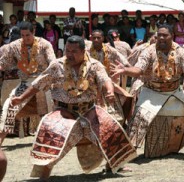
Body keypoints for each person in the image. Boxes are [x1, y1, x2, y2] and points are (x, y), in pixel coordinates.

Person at [10, 35, 137, 181]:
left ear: (83, 51)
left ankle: (113, 165)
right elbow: (38, 84)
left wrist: (109, 91)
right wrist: (21, 98)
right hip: (63, 111)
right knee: (51, 131)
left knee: (110, 128)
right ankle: (44, 175)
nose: (69, 54)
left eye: (74, 51)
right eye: (67, 50)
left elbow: (105, 79)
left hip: (89, 110)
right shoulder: (57, 65)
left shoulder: (94, 65)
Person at [111, 25, 184, 157]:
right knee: (140, 117)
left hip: (174, 91)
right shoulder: (149, 51)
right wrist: (125, 70)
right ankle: (126, 153)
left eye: (165, 35)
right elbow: (139, 70)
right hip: (152, 91)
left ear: (172, 36)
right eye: (159, 35)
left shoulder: (180, 52)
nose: (161, 38)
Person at [0, 22, 55, 145]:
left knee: (46, 113)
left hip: (43, 81)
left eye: (28, 35)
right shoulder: (15, 46)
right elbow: (3, 63)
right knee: (10, 107)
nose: (25, 38)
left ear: (34, 32)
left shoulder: (44, 44)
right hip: (25, 83)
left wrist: (50, 76)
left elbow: (53, 62)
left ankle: (48, 142)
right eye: (23, 35)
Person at [87, 30, 132, 123]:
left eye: (98, 38)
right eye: (94, 38)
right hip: (90, 86)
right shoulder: (86, 52)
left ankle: (122, 126)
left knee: (127, 99)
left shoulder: (110, 50)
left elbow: (126, 63)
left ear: (103, 39)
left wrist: (122, 68)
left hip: (108, 85)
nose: (95, 40)